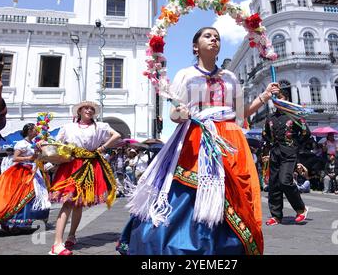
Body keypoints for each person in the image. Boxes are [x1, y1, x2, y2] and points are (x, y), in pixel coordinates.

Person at [117, 27, 280, 255]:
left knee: (233, 193)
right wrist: (181, 113)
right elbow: (174, 113)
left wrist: (264, 97)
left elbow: (242, 115)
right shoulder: (185, 75)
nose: (214, 39)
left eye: (217, 37)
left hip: (230, 140)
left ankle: (229, 247)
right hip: (197, 136)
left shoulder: (231, 77)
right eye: (208, 36)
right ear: (195, 46)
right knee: (188, 192)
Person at [49, 101, 121, 255]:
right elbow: (56, 144)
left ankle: (72, 235)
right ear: (79, 111)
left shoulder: (100, 126)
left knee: (78, 204)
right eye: (86, 108)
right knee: (67, 202)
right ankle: (57, 244)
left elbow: (117, 135)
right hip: (71, 165)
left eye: (92, 109)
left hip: (89, 165)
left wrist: (102, 147)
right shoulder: (68, 127)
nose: (89, 110)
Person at [0, 123, 51, 232]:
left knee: (34, 195)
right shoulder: (21, 144)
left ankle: (26, 220)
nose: (37, 131)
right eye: (35, 130)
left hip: (33, 171)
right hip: (21, 172)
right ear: (29, 131)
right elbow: (15, 158)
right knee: (17, 197)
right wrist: (29, 157)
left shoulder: (34, 143)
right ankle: (12, 222)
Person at [262, 92, 310, 226]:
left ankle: (301, 209)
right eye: (275, 98)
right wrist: (270, 146)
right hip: (275, 153)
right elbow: (265, 134)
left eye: (281, 98)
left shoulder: (294, 116)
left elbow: (306, 133)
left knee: (285, 181)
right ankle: (276, 216)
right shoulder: (270, 117)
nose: (277, 100)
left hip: (289, 153)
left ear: (287, 100)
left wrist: (295, 145)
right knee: (274, 184)